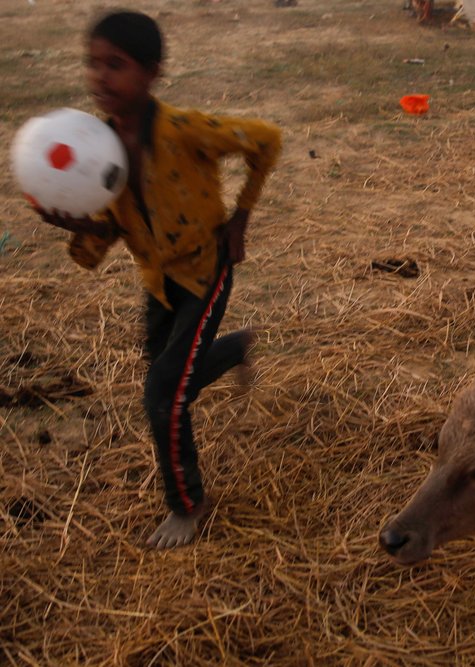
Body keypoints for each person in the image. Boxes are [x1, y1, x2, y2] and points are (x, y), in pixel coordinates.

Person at [34, 10, 282, 549]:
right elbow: (105, 238)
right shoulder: (95, 149)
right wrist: (76, 228)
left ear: (151, 73)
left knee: (162, 395)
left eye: (115, 65)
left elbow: (267, 140)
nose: (100, 77)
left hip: (204, 273)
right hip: (157, 282)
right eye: (93, 64)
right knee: (171, 383)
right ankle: (236, 348)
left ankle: (187, 506)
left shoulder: (184, 130)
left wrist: (241, 214)